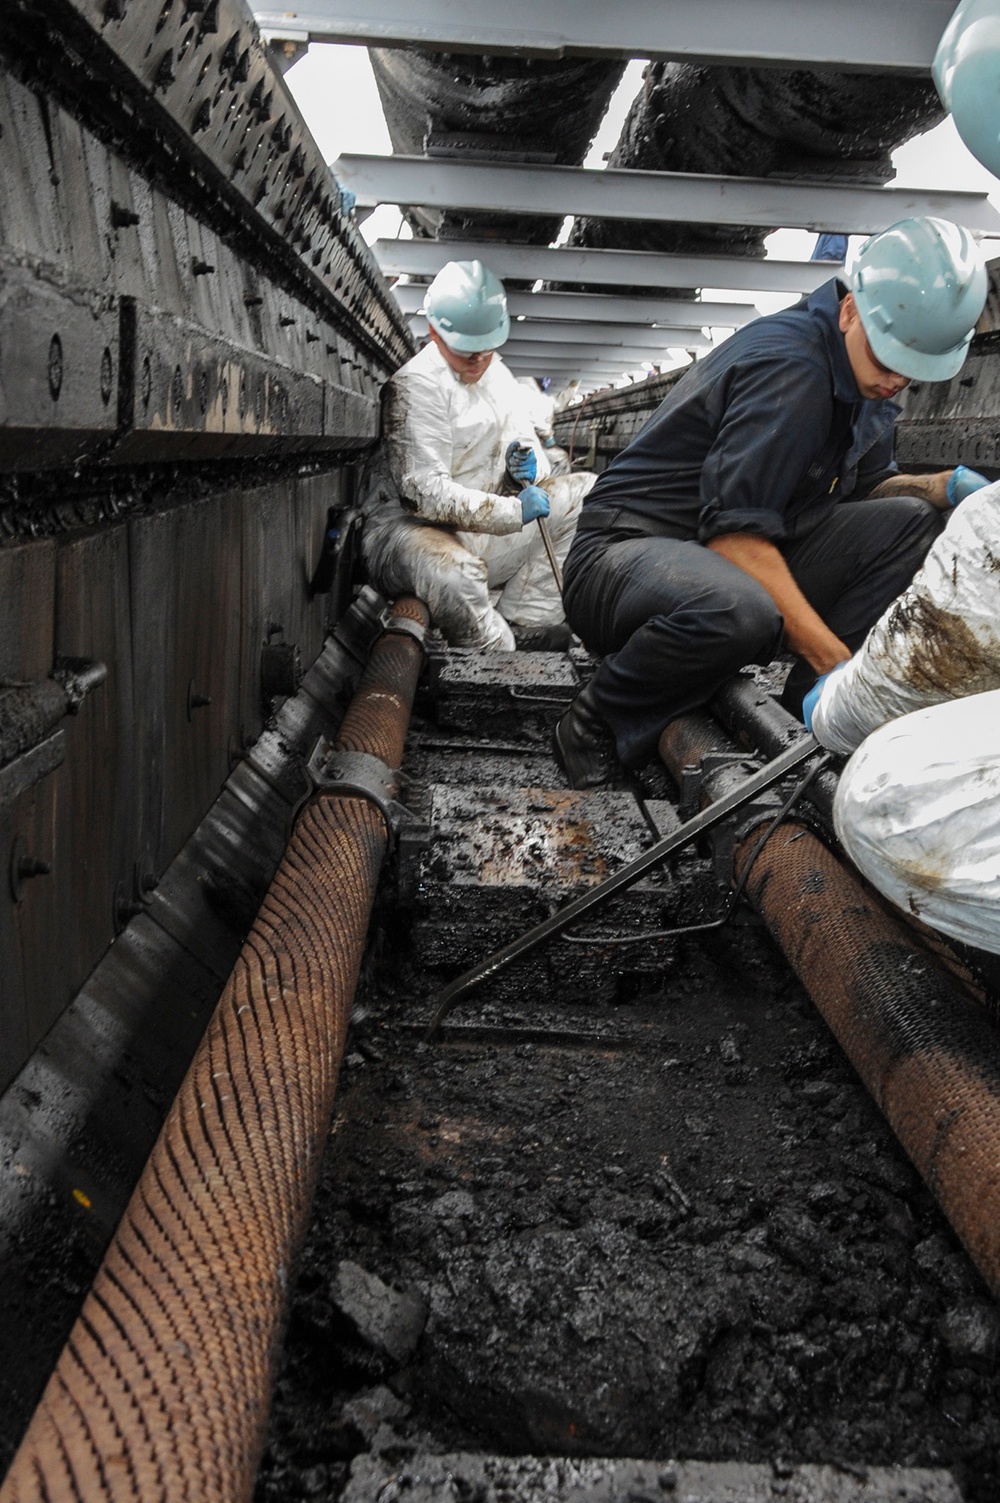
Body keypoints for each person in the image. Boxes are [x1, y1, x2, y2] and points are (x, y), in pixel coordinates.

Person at [552, 216, 988, 788]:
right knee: (739, 611)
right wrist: (842, 664)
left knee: (911, 523)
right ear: (850, 310)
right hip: (622, 561)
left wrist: (943, 486)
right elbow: (735, 538)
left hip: (713, 565)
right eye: (888, 361)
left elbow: (865, 493)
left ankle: (813, 716)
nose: (895, 382)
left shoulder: (866, 380)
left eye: (912, 373)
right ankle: (592, 722)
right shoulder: (793, 369)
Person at [360, 260, 594, 651]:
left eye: (486, 349)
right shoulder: (415, 386)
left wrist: (523, 465)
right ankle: (492, 659)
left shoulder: (497, 374)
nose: (478, 360)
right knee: (456, 574)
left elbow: (525, 443)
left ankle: (524, 623)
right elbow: (424, 494)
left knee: (586, 494)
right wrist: (511, 512)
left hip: (482, 528)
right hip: (409, 534)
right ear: (434, 332)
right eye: (466, 350)